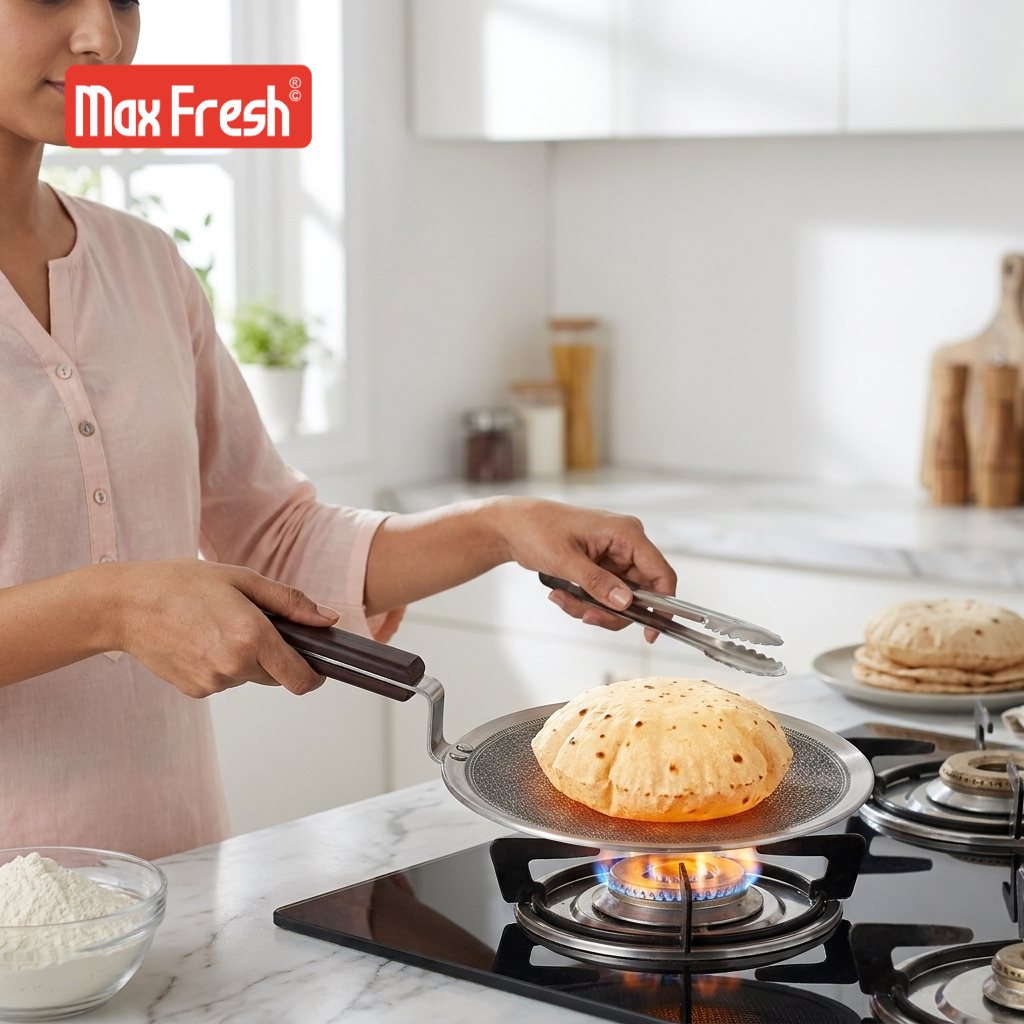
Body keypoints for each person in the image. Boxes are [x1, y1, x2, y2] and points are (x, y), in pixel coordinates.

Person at [0, 0, 676, 860]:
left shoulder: (146, 265)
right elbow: (129, 595)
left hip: (170, 877)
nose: (103, 36)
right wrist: (114, 605)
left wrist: (502, 527)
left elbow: (276, 536)